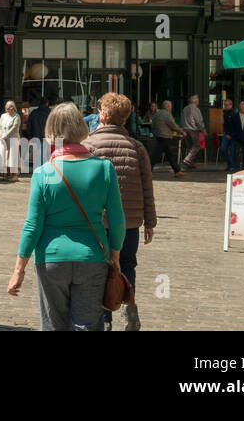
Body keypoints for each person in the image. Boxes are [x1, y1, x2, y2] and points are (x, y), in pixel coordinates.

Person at [8, 102, 125, 331]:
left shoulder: (44, 174)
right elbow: (117, 219)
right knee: (88, 325)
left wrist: (18, 269)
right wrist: (115, 254)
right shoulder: (103, 169)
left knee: (53, 325)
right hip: (92, 256)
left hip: (51, 259)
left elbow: (32, 225)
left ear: (51, 132)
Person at [85, 92, 156, 331]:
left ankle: (105, 320)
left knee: (99, 269)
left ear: (103, 115)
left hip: (99, 221)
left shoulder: (89, 145)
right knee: (127, 265)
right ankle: (129, 311)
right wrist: (150, 222)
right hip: (130, 222)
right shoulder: (136, 147)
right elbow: (147, 186)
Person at [151, 100, 185, 177]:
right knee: (157, 155)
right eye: (170, 106)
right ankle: (148, 170)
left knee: (169, 155)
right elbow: (173, 125)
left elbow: (152, 125)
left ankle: (177, 171)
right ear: (167, 106)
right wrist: (182, 131)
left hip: (159, 136)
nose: (171, 108)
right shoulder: (167, 114)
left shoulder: (157, 114)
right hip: (165, 136)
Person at [0, 101, 23, 181]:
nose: (9, 109)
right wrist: (1, 134)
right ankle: (7, 174)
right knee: (4, 156)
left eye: (11, 107)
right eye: (8, 108)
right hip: (3, 139)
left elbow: (14, 128)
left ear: (14, 108)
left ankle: (15, 175)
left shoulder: (16, 116)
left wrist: (6, 136)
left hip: (13, 138)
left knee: (13, 157)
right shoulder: (3, 116)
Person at [180, 95, 205, 169]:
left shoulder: (184, 109)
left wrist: (182, 130)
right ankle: (187, 159)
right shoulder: (195, 109)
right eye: (198, 101)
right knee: (196, 146)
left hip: (185, 130)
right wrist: (203, 130)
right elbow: (198, 121)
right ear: (196, 102)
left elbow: (182, 120)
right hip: (193, 130)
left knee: (190, 147)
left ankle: (190, 163)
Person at [219, 99, 238, 171]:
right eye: (224, 105)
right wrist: (226, 133)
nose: (225, 106)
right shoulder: (224, 113)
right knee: (223, 149)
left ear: (231, 105)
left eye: (227, 105)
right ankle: (230, 164)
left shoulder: (234, 114)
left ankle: (233, 166)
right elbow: (224, 125)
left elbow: (235, 126)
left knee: (233, 151)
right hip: (225, 134)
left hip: (232, 136)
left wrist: (230, 134)